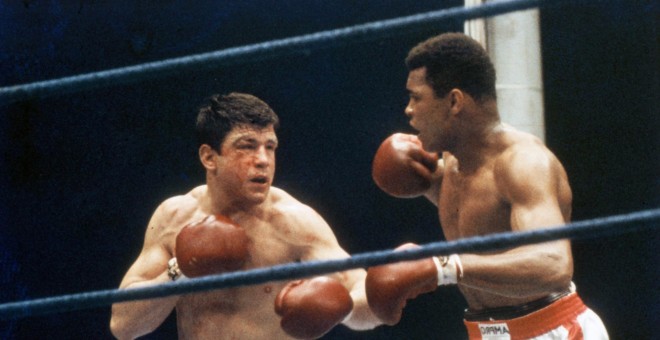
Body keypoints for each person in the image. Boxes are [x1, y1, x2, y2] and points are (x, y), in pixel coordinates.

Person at [366, 32, 609, 339]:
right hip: (487, 332)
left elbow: (553, 265)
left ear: (454, 101)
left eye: (416, 97)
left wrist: (441, 266)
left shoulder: (523, 163)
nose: (408, 110)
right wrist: (409, 174)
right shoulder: (450, 168)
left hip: (553, 330)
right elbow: (477, 217)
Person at [110, 92, 381, 339]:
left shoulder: (293, 222)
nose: (263, 159)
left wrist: (339, 309)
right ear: (209, 157)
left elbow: (367, 299)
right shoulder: (175, 217)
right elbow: (123, 326)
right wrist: (181, 269)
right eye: (247, 146)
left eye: (270, 147)